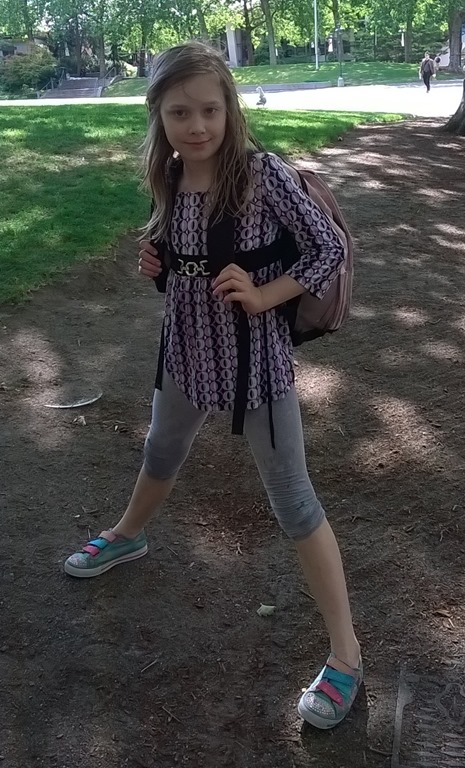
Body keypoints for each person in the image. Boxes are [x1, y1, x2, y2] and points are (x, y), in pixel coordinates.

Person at [64, 41, 362, 730]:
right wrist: (158, 261)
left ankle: (346, 654)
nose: (195, 125)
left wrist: (266, 294)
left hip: (255, 366)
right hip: (185, 354)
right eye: (178, 113)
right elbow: (184, 256)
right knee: (160, 451)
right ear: (158, 116)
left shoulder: (261, 174)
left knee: (293, 502)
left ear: (229, 108)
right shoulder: (168, 174)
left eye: (208, 110)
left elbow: (329, 247)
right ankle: (127, 534)